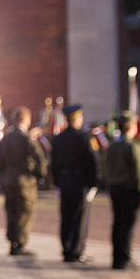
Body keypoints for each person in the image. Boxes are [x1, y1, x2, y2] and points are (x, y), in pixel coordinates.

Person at [49, 104, 97, 263]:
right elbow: (92, 162)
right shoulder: (83, 138)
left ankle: (66, 249)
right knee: (78, 218)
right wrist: (93, 184)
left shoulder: (58, 138)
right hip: (79, 181)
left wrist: (56, 182)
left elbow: (53, 163)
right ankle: (76, 251)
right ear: (77, 119)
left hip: (64, 180)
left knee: (66, 216)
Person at [0, 106, 47, 256]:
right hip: (24, 181)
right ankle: (20, 243)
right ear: (25, 119)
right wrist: (39, 176)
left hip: (9, 180)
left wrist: (2, 178)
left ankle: (13, 243)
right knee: (24, 212)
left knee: (11, 211)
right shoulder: (26, 137)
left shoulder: (6, 137)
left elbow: (0, 161)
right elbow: (39, 158)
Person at [107, 111, 140, 269]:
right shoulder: (132, 146)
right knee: (127, 226)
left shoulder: (113, 146)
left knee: (117, 223)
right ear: (131, 126)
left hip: (115, 188)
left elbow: (107, 169)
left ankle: (116, 258)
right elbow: (139, 172)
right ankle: (124, 258)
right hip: (129, 191)